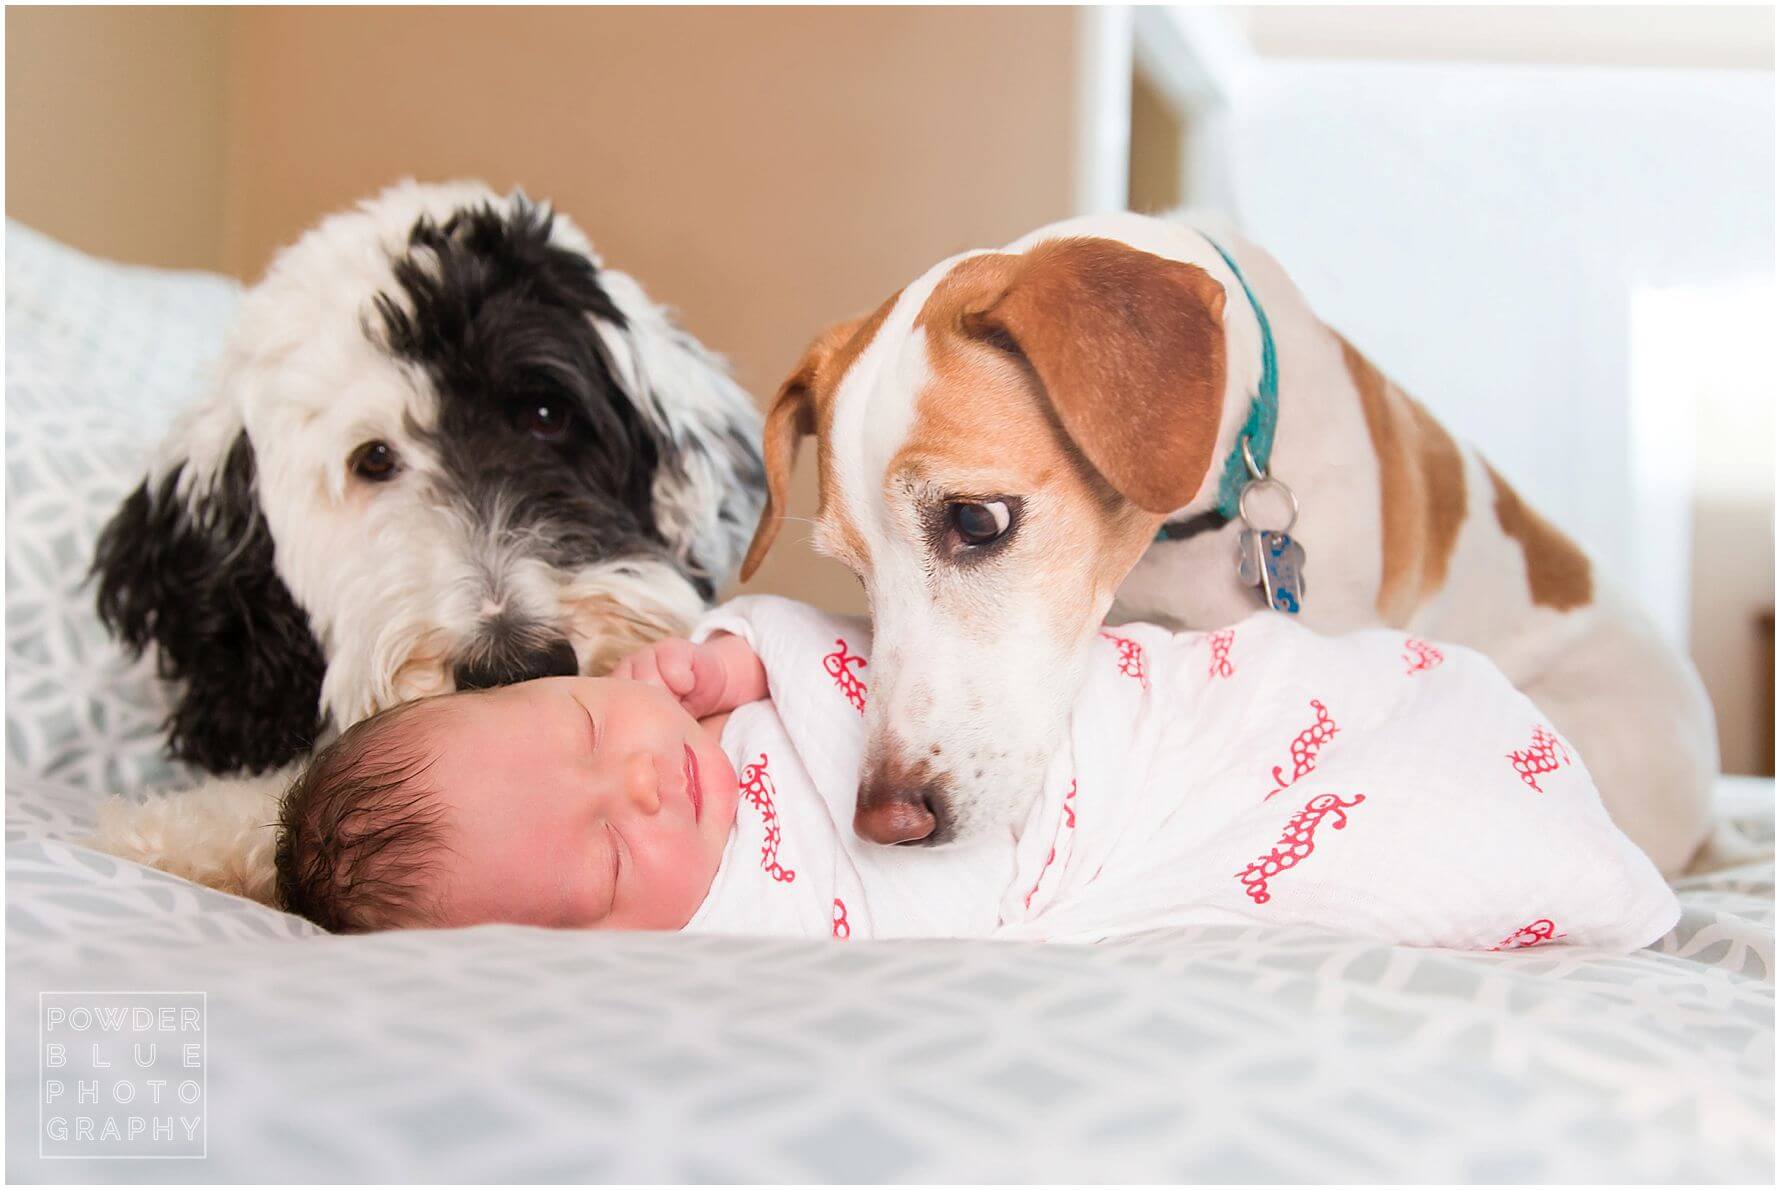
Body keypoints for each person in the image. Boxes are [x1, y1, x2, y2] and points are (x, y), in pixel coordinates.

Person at [274, 597, 1677, 951]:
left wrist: (742, 654)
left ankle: (1446, 734)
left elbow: (877, 662)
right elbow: (924, 907)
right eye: (598, 860)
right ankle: (1551, 859)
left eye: (587, 732)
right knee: (1393, 837)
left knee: (1295, 688)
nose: (640, 787)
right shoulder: (735, 930)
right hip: (1132, 835)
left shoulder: (710, 693)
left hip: (1135, 722)